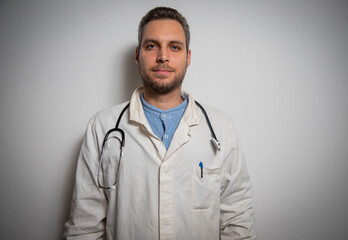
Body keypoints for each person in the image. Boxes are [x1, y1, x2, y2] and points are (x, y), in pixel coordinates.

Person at [64, 6, 256, 240]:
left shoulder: (221, 128)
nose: (163, 56)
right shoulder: (103, 128)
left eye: (174, 47)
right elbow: (84, 226)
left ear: (188, 57)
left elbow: (238, 220)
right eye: (152, 45)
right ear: (137, 55)